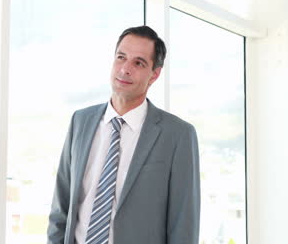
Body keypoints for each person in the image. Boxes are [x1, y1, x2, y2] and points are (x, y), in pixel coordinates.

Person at [47, 26, 200, 244]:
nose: (125, 69)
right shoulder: (80, 121)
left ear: (154, 74)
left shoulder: (177, 135)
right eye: (121, 58)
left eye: (138, 63)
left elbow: (183, 225)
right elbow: (60, 208)